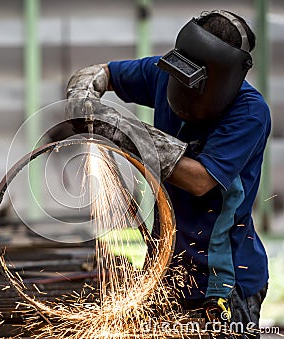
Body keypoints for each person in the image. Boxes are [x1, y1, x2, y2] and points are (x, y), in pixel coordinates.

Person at [66, 9, 270, 338]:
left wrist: (121, 130)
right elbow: (103, 73)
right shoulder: (165, 72)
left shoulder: (249, 112)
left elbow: (199, 179)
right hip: (166, 272)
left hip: (222, 283)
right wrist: (83, 96)